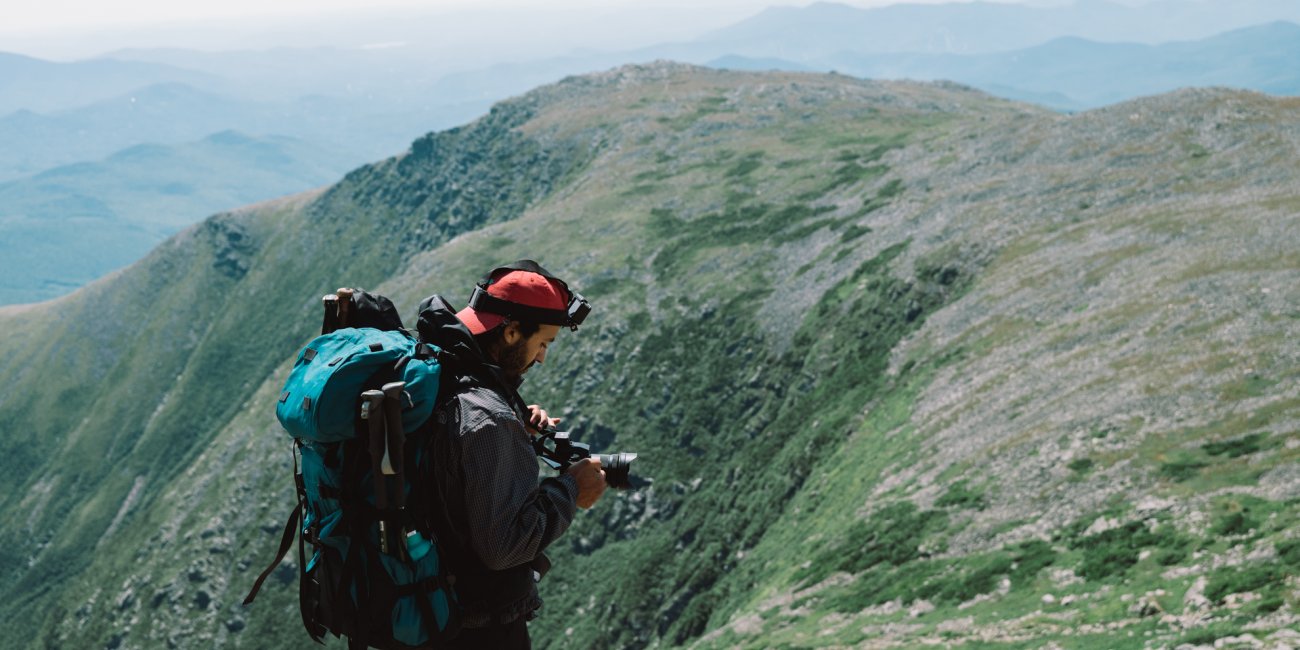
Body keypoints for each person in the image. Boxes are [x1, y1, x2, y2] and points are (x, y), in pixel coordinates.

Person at [416, 260, 607, 649]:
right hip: (475, 628)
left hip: (422, 612)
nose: (541, 358)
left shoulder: (438, 364)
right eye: (543, 343)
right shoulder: (488, 419)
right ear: (512, 331)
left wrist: (513, 425)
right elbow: (505, 547)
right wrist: (572, 488)